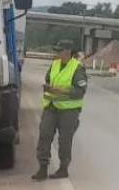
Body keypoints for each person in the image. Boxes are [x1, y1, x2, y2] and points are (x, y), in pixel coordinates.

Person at [34, 40, 87, 181]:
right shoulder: (55, 64)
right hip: (51, 107)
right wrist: (47, 87)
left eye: (60, 50)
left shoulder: (77, 68)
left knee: (64, 140)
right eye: (56, 50)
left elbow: (80, 91)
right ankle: (42, 168)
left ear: (68, 51)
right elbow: (48, 79)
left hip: (68, 111)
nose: (57, 53)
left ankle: (63, 168)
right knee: (44, 135)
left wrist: (59, 90)